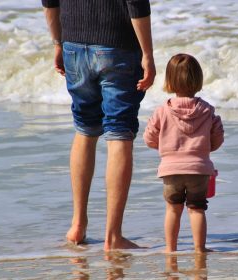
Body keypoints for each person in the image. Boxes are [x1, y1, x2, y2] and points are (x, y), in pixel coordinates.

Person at [41, 0, 156, 251]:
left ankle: (77, 226)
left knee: (84, 129)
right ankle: (113, 236)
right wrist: (147, 54)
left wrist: (57, 43)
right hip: (118, 44)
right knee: (119, 133)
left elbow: (49, 2)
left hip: (73, 43)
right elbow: (136, 2)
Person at [143, 54, 224, 253]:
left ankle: (170, 249)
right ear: (198, 79)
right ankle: (199, 249)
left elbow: (149, 137)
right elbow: (217, 139)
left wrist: (166, 149)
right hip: (199, 169)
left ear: (169, 81)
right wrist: (204, 149)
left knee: (173, 209)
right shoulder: (207, 110)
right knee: (197, 209)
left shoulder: (162, 111)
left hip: (170, 170)